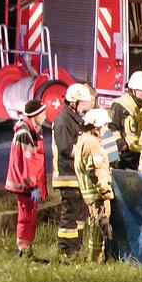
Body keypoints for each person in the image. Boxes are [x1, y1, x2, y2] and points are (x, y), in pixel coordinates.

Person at [53, 83, 95, 258]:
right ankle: (65, 250)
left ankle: (76, 247)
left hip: (77, 174)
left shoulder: (75, 118)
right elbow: (65, 148)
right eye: (83, 103)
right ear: (74, 102)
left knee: (79, 214)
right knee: (69, 214)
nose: (86, 106)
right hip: (67, 175)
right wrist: (85, 155)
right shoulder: (63, 119)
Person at [4, 99, 48, 259]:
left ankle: (27, 249)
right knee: (26, 216)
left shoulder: (33, 129)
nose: (45, 115)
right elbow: (27, 162)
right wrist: (33, 185)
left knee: (29, 216)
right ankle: (23, 251)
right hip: (25, 184)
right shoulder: (25, 132)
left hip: (29, 183)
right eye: (42, 113)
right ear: (35, 114)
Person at [74, 108, 115, 263]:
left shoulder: (83, 139)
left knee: (95, 224)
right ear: (96, 126)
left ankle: (94, 257)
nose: (106, 129)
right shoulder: (92, 143)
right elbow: (96, 170)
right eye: (104, 126)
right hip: (97, 192)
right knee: (100, 225)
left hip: (89, 191)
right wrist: (105, 191)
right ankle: (97, 259)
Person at [107, 70, 142, 170]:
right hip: (125, 156)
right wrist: (121, 145)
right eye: (140, 90)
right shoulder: (119, 104)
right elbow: (109, 129)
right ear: (133, 90)